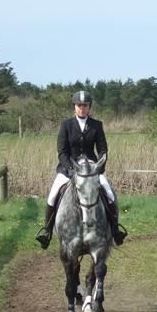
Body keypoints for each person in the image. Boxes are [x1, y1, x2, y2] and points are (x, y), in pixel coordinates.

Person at [36, 90, 127, 249]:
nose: (82, 108)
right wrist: (70, 169)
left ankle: (115, 230)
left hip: (91, 170)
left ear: (89, 107)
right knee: (52, 196)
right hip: (68, 169)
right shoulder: (66, 125)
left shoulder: (97, 125)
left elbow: (103, 149)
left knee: (110, 194)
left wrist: (99, 167)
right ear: (74, 107)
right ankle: (47, 232)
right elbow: (62, 152)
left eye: (85, 105)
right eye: (79, 105)